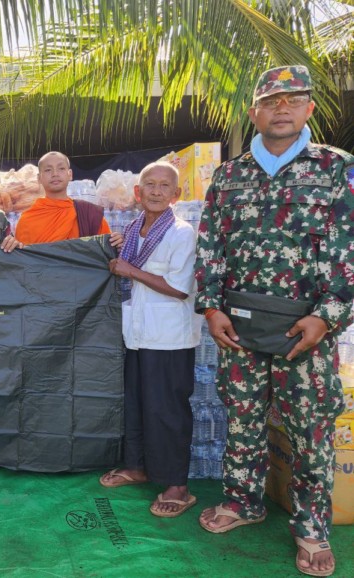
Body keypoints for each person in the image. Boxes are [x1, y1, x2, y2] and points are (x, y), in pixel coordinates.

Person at [195, 65, 354, 577]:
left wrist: (327, 317)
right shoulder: (229, 175)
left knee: (310, 428)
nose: (281, 108)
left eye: (293, 99)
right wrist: (211, 307)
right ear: (254, 113)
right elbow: (210, 246)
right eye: (270, 101)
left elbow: (350, 250)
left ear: (310, 108)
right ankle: (243, 500)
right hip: (238, 325)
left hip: (306, 330)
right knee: (243, 417)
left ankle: (312, 526)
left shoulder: (338, 169)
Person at [101, 161, 200, 518]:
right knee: (137, 403)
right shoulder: (132, 230)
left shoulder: (181, 233)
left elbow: (179, 288)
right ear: (137, 192)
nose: (156, 191)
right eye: (150, 185)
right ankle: (138, 466)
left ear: (176, 194)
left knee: (167, 411)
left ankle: (177, 485)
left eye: (164, 186)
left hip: (169, 338)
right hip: (138, 334)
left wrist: (130, 270)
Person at [14, 151, 120, 246]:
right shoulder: (27, 220)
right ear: (39, 178)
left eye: (61, 168)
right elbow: (22, 258)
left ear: (70, 174)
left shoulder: (88, 214)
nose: (55, 174)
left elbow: (106, 251)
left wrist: (117, 244)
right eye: (48, 170)